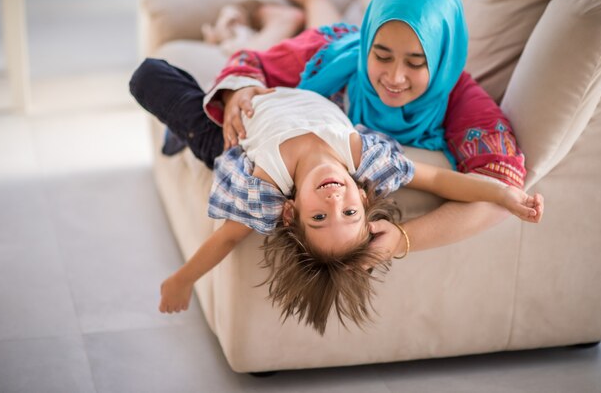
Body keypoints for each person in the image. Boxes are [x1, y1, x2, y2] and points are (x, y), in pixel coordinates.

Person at [130, 59, 543, 334]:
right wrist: (504, 193)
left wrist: (182, 280)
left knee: (148, 76)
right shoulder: (362, 155)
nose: (333, 203)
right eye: (348, 212)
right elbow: (438, 180)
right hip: (283, 94)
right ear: (363, 199)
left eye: (320, 219)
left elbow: (225, 237)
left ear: (291, 212)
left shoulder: (267, 183)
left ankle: (184, 134)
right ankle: (183, 128)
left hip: (222, 138)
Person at [206, 0, 528, 259]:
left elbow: (503, 189)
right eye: (382, 56)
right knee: (320, 32)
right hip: (340, 41)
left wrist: (405, 239)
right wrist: (239, 90)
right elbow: (252, 62)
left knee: (325, 29)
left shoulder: (462, 99)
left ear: (442, 56)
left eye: (415, 63)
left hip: (351, 43)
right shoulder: (332, 55)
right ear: (369, 46)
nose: (394, 77)